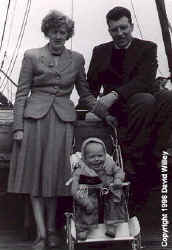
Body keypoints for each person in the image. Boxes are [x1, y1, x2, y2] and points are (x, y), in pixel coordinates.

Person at [7, 10, 96, 249]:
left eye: (63, 32)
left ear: (68, 35)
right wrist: (17, 127)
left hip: (62, 122)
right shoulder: (31, 56)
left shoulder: (77, 59)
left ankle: (51, 228)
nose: (59, 36)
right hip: (34, 122)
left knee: (56, 178)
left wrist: (107, 114)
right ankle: (40, 234)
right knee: (35, 178)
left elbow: (85, 94)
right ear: (47, 32)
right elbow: (21, 93)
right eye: (55, 31)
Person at [78, 6, 172, 215]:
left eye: (123, 28)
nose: (120, 34)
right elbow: (91, 89)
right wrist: (96, 112)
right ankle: (138, 163)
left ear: (131, 25)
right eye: (114, 30)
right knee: (146, 100)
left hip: (139, 103)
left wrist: (115, 94)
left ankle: (154, 155)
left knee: (164, 97)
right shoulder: (100, 52)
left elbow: (145, 80)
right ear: (109, 30)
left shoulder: (147, 48)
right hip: (119, 111)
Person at [71, 137, 126, 240]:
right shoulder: (81, 169)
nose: (97, 159)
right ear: (84, 158)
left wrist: (118, 179)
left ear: (105, 154)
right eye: (92, 157)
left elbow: (119, 171)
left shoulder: (109, 163)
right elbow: (75, 188)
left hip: (108, 190)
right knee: (88, 204)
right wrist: (84, 201)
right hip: (89, 192)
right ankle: (83, 228)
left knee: (114, 200)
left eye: (100, 156)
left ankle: (112, 225)